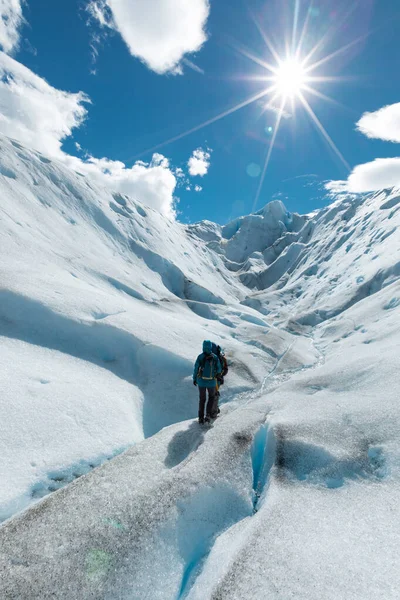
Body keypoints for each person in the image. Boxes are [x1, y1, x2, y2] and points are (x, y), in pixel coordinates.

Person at [193, 340, 222, 424]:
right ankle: (208, 415)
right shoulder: (214, 357)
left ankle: (200, 418)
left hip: (201, 382)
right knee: (211, 397)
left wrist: (195, 379)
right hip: (211, 382)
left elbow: (196, 369)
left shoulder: (200, 357)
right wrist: (217, 375)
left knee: (202, 399)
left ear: (203, 346)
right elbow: (219, 369)